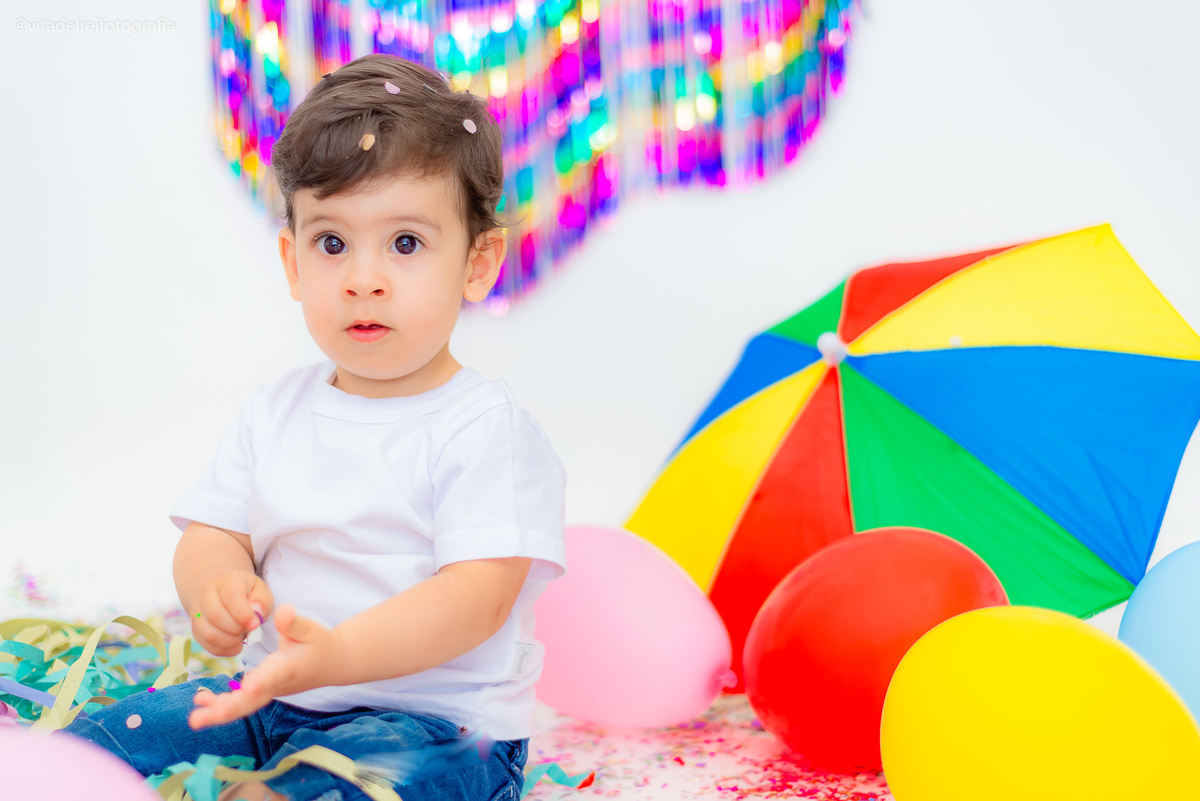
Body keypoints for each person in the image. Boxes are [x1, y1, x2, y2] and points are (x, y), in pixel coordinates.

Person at [63, 53, 567, 801]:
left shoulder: (484, 429)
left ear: (477, 262)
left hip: (439, 725)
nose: (364, 278)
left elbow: (475, 598)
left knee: (374, 779)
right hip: (276, 697)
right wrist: (219, 587)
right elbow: (214, 532)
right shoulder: (276, 411)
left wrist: (337, 654)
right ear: (293, 262)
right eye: (332, 243)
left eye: (405, 243)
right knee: (115, 739)